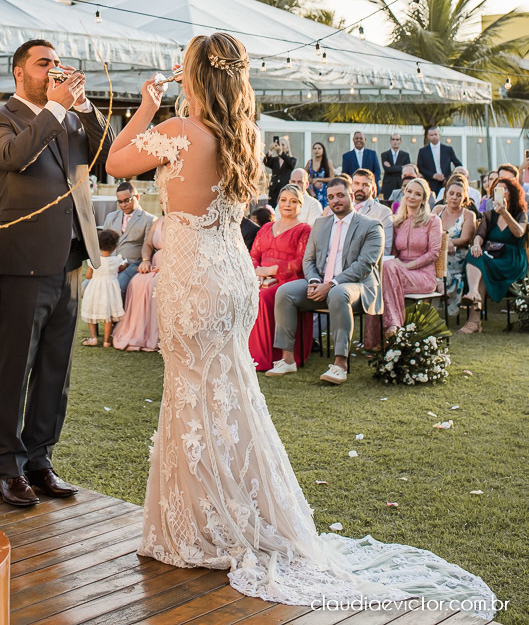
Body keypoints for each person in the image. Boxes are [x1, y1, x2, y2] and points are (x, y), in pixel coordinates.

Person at [103, 32, 494, 610]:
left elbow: (116, 161)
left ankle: (201, 525)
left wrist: (144, 107)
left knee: (190, 394)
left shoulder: (183, 132)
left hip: (193, 277)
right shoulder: (245, 134)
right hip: (231, 274)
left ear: (196, 77)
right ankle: (232, 513)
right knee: (229, 393)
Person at [0, 39, 113, 507]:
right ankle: (7, 466)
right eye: (43, 64)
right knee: (14, 368)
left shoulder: (74, 117)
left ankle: (39, 460)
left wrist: (87, 106)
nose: (53, 70)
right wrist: (54, 110)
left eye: (57, 63)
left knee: (56, 369)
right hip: (21, 261)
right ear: (19, 72)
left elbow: (110, 157)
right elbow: (15, 156)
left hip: (71, 261)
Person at [270, 178, 383, 384]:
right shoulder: (321, 224)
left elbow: (364, 265)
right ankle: (287, 359)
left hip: (358, 287)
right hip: (321, 283)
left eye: (340, 195)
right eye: (331, 197)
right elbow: (309, 259)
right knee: (284, 292)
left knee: (338, 293)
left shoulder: (371, 226)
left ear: (351, 196)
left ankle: (340, 364)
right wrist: (313, 280)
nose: (335, 200)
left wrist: (330, 284)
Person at [248, 184, 312, 372]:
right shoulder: (266, 227)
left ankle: (265, 357)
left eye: (293, 201)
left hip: (288, 280)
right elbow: (254, 254)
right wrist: (256, 273)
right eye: (283, 200)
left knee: (263, 297)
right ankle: (244, 353)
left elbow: (299, 262)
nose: (287, 205)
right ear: (278, 203)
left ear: (300, 205)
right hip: (261, 278)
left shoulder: (304, 229)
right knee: (246, 292)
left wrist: (270, 271)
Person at [461, 176, 528, 334]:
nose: (501, 192)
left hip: (512, 259)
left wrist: (504, 213)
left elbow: (519, 233)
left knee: (483, 264)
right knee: (475, 254)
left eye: (504, 189)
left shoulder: (520, 214)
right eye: (497, 189)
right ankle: (474, 294)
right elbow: (480, 234)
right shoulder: (489, 215)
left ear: (512, 193)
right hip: (492, 256)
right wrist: (477, 244)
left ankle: (474, 320)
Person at [377, 178, 441, 340]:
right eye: (409, 192)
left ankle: (393, 326)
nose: (412, 196)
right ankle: (380, 338)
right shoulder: (397, 222)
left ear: (423, 199)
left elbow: (434, 253)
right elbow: (392, 254)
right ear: (404, 193)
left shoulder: (433, 221)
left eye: (417, 194)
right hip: (397, 272)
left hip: (423, 276)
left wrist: (408, 266)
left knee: (386, 276)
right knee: (380, 278)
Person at [113, 216, 164, 352]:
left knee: (155, 284)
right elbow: (147, 244)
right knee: (136, 281)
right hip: (154, 264)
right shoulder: (159, 221)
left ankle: (157, 335)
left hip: (174, 265)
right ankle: (138, 332)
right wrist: (146, 260)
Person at [102, 181, 156, 300]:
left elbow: (149, 246)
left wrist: (145, 261)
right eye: (120, 202)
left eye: (127, 200)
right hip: (110, 264)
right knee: (90, 286)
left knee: (117, 287)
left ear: (137, 197)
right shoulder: (111, 217)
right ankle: (105, 318)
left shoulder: (149, 220)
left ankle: (119, 318)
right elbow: (103, 244)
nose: (123, 205)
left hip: (132, 265)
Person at [437, 176, 478, 317]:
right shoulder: (437, 210)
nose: (454, 197)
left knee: (446, 261)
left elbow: (465, 239)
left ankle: (445, 291)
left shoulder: (468, 214)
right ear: (446, 194)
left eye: (459, 195)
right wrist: (444, 242)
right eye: (451, 193)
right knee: (432, 259)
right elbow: (428, 232)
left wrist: (449, 242)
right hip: (438, 250)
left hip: (457, 254)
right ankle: (440, 291)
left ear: (464, 197)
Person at [80, 229, 124, 347]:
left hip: (95, 289)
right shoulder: (116, 260)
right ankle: (106, 341)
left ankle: (93, 338)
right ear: (115, 246)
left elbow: (89, 275)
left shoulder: (94, 260)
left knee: (91, 314)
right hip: (110, 291)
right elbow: (120, 268)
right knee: (108, 316)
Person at [351, 169, 394, 254]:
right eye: (356, 183)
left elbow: (385, 248)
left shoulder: (383, 212)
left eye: (365, 185)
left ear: (373, 188)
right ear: (351, 186)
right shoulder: (342, 208)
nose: (360, 188)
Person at [417, 127, 461, 193]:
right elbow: (420, 167)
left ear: (439, 135)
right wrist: (433, 175)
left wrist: (451, 177)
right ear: (428, 137)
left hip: (446, 182)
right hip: (430, 183)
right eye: (431, 135)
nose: (434, 137)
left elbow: (458, 164)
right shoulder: (423, 151)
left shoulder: (448, 149)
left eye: (435, 134)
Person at [262, 136, 295, 206]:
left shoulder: (291, 159)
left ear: (287, 147)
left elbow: (291, 165)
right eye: (279, 145)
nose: (280, 147)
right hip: (274, 188)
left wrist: (281, 152)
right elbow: (265, 162)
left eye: (283, 145)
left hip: (285, 188)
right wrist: (271, 150)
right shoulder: (275, 160)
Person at [380, 133, 411, 201]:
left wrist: (392, 167)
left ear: (400, 141)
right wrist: (401, 167)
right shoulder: (384, 155)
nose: (395, 141)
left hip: (401, 184)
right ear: (390, 141)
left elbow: (407, 169)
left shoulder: (405, 155)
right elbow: (387, 169)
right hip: (388, 185)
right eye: (393, 139)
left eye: (397, 139)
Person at [306, 141, 333, 208]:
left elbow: (332, 178)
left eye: (319, 148)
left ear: (323, 150)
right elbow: (304, 176)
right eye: (315, 148)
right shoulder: (310, 162)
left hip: (324, 191)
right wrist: (312, 181)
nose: (316, 150)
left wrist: (318, 179)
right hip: (312, 191)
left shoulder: (327, 162)